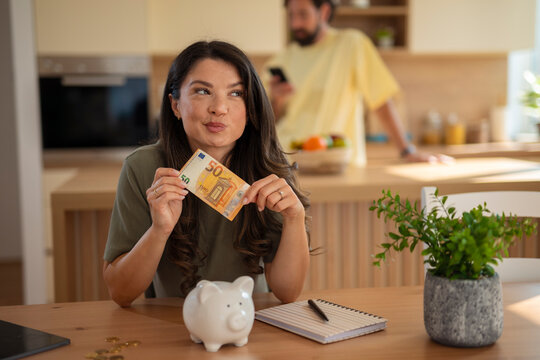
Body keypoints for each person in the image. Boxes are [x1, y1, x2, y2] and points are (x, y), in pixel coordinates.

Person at [103, 41, 310, 307]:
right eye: (202, 91)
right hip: (171, 323)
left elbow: (288, 292)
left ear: (251, 107)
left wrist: (295, 218)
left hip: (248, 320)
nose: (219, 108)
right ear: (175, 105)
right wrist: (159, 230)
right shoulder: (143, 168)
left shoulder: (269, 169)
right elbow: (120, 292)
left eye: (236, 94)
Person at [265, 0, 452, 166]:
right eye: (291, 15)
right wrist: (277, 99)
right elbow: (266, 124)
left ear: (324, 11)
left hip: (340, 163)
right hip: (289, 163)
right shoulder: (281, 59)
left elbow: (380, 100)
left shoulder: (351, 44)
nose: (295, 23)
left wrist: (406, 150)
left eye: (303, 14)